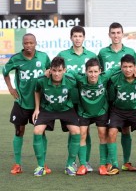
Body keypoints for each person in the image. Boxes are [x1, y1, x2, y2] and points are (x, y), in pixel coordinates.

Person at [3, 33, 51, 175]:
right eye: (26, 43)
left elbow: (50, 72)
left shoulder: (43, 57)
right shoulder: (16, 58)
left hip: (40, 104)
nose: (28, 45)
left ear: (35, 43)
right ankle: (17, 164)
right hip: (21, 102)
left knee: (40, 133)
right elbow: (5, 71)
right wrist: (10, 88)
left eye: (31, 43)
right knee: (19, 132)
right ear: (23, 44)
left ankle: (42, 164)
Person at [98, 22, 136, 171]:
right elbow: (100, 73)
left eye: (118, 33)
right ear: (109, 35)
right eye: (113, 33)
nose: (116, 35)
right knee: (109, 130)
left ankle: (126, 162)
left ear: (122, 34)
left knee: (126, 130)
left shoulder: (130, 52)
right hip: (106, 97)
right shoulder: (102, 53)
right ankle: (110, 161)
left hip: (124, 98)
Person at [69, 58, 120, 175]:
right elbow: (69, 71)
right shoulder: (80, 78)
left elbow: (117, 67)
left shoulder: (104, 77)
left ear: (100, 71)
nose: (93, 75)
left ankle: (102, 165)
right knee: (82, 135)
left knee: (102, 135)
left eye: (95, 72)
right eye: (90, 72)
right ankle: (82, 165)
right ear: (86, 71)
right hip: (84, 112)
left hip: (101, 111)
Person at [32, 57, 80, 176]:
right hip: (48, 109)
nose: (57, 73)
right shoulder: (42, 80)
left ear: (64, 70)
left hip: (66, 109)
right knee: (37, 131)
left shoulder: (71, 80)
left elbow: (84, 82)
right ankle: (40, 166)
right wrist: (37, 108)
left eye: (60, 70)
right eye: (54, 70)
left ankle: (70, 165)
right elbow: (37, 91)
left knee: (76, 131)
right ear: (50, 70)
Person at [57, 26, 96, 172]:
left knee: (86, 131)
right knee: (73, 132)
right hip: (69, 99)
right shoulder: (63, 55)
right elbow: (55, 72)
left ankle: (85, 162)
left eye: (80, 36)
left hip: (86, 100)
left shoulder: (91, 55)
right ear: (71, 38)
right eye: (75, 36)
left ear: (84, 37)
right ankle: (72, 161)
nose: (77, 39)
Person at [106, 54, 136, 175]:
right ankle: (114, 165)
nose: (128, 69)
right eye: (125, 66)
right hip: (118, 110)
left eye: (131, 66)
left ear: (135, 67)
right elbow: (110, 94)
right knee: (112, 133)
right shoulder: (115, 78)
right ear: (121, 67)